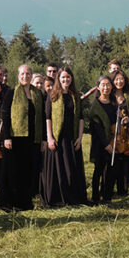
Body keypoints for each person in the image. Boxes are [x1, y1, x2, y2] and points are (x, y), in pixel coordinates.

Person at [0, 64, 45, 211]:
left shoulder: (37, 93)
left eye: (28, 74)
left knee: (28, 170)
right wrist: (6, 137)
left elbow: (43, 116)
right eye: (22, 74)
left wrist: (43, 138)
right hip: (15, 137)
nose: (25, 76)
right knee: (13, 171)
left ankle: (25, 202)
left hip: (32, 138)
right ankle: (8, 203)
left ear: (31, 76)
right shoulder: (11, 92)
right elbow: (5, 114)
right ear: (18, 76)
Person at [44, 67, 88, 206]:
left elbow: (81, 118)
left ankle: (73, 197)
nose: (65, 80)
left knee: (72, 169)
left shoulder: (75, 96)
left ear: (71, 79)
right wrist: (50, 137)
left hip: (72, 137)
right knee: (59, 170)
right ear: (58, 79)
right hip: (58, 138)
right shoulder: (53, 96)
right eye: (63, 77)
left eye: (68, 77)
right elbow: (48, 118)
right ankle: (59, 198)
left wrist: (80, 138)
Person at [85, 74, 129, 204]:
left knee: (112, 169)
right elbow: (97, 128)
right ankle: (94, 196)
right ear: (98, 87)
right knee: (98, 169)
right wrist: (106, 144)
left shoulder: (115, 103)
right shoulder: (95, 106)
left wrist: (124, 120)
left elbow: (119, 121)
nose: (106, 87)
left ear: (111, 87)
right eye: (103, 85)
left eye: (108, 84)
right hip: (100, 142)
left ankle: (107, 196)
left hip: (114, 139)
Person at [111, 69, 129, 196]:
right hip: (113, 132)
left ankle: (123, 189)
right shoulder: (109, 94)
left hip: (126, 132)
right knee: (114, 160)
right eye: (116, 79)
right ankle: (110, 188)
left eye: (121, 79)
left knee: (126, 160)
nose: (119, 82)